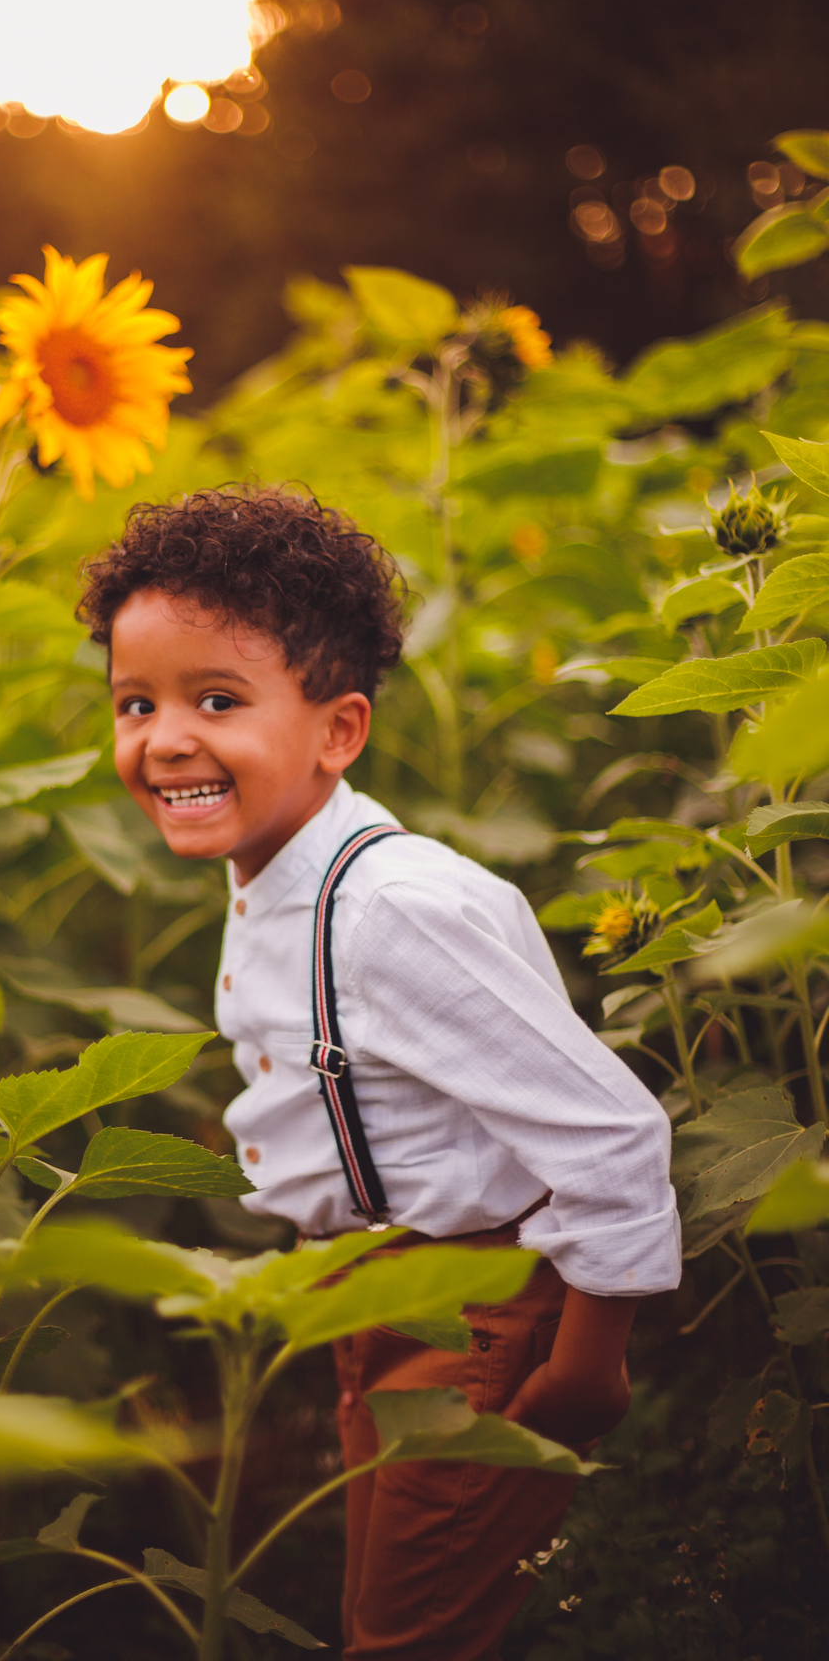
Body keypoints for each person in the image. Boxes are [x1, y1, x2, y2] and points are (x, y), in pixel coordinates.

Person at [78, 485, 681, 1661]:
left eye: (216, 700)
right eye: (134, 703)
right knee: (388, 1614)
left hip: (475, 1316)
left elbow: (611, 1132)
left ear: (338, 731)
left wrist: (589, 1362)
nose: (164, 740)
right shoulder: (281, 874)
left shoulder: (394, 910)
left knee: (412, 1639)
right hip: (376, 1302)